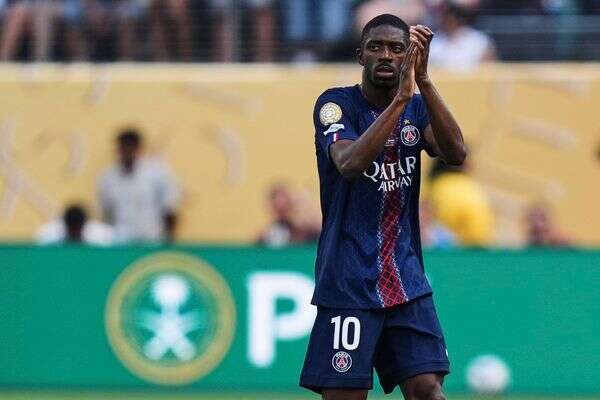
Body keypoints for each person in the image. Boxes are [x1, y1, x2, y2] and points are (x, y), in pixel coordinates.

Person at [300, 14, 466, 399]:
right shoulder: (335, 105)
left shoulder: (419, 108)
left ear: (409, 56)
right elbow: (349, 163)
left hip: (406, 279)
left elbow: (456, 153)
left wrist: (424, 81)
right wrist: (402, 99)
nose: (386, 55)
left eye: (396, 48)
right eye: (376, 47)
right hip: (348, 280)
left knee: (428, 390)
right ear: (361, 55)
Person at [98, 128, 180, 243]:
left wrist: (170, 239)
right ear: (118, 149)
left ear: (138, 148)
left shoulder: (157, 173)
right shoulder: (108, 178)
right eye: (123, 147)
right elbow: (106, 213)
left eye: (130, 146)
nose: (127, 150)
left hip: (153, 240)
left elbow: (169, 208)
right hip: (120, 242)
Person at [428, 158, 494, 246]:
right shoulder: (471, 189)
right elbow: (479, 235)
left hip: (436, 247)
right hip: (470, 247)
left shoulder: (431, 187)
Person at [428, 2, 496, 71]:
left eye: (451, 18)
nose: (448, 22)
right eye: (445, 18)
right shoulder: (433, 42)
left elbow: (489, 66)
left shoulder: (478, 40)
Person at [258, 182, 321, 247]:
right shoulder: (267, 236)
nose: (283, 212)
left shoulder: (306, 232)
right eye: (279, 209)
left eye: (285, 206)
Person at [35, 203, 115, 245]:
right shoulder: (47, 234)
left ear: (84, 225)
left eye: (76, 231)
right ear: (65, 225)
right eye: (72, 231)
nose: (74, 235)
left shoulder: (101, 235)